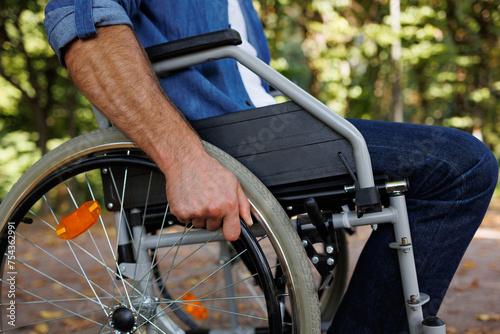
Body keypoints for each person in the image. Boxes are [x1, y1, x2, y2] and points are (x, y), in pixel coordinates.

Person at [44, 1, 498, 332]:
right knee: (460, 167)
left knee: (446, 160)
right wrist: (184, 158)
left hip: (262, 122)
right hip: (217, 135)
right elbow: (81, 23)